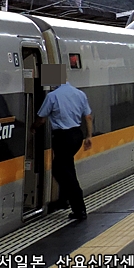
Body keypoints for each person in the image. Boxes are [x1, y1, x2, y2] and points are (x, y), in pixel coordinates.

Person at [33, 64, 93, 221]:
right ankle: (64, 200)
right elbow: (88, 117)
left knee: (60, 170)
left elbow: (41, 119)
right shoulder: (79, 93)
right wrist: (89, 136)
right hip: (76, 135)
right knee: (67, 167)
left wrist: (33, 128)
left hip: (62, 137)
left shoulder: (52, 96)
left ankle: (79, 209)